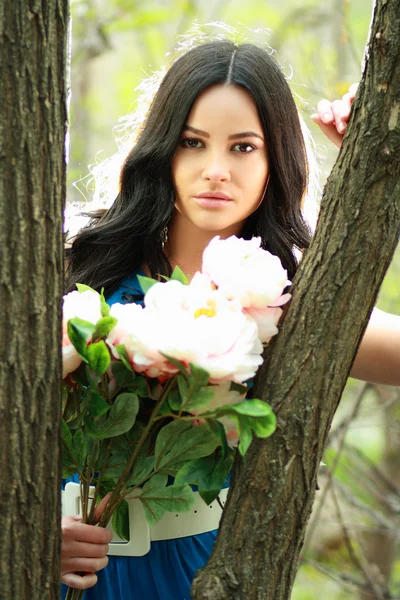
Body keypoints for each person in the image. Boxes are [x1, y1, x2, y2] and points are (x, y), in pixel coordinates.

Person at [62, 40, 400, 598]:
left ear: (275, 160)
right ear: (164, 148)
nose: (215, 170)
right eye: (193, 143)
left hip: (202, 577)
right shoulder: (81, 264)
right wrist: (25, 531)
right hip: (72, 572)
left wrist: (378, 154)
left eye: (243, 147)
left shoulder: (291, 296)